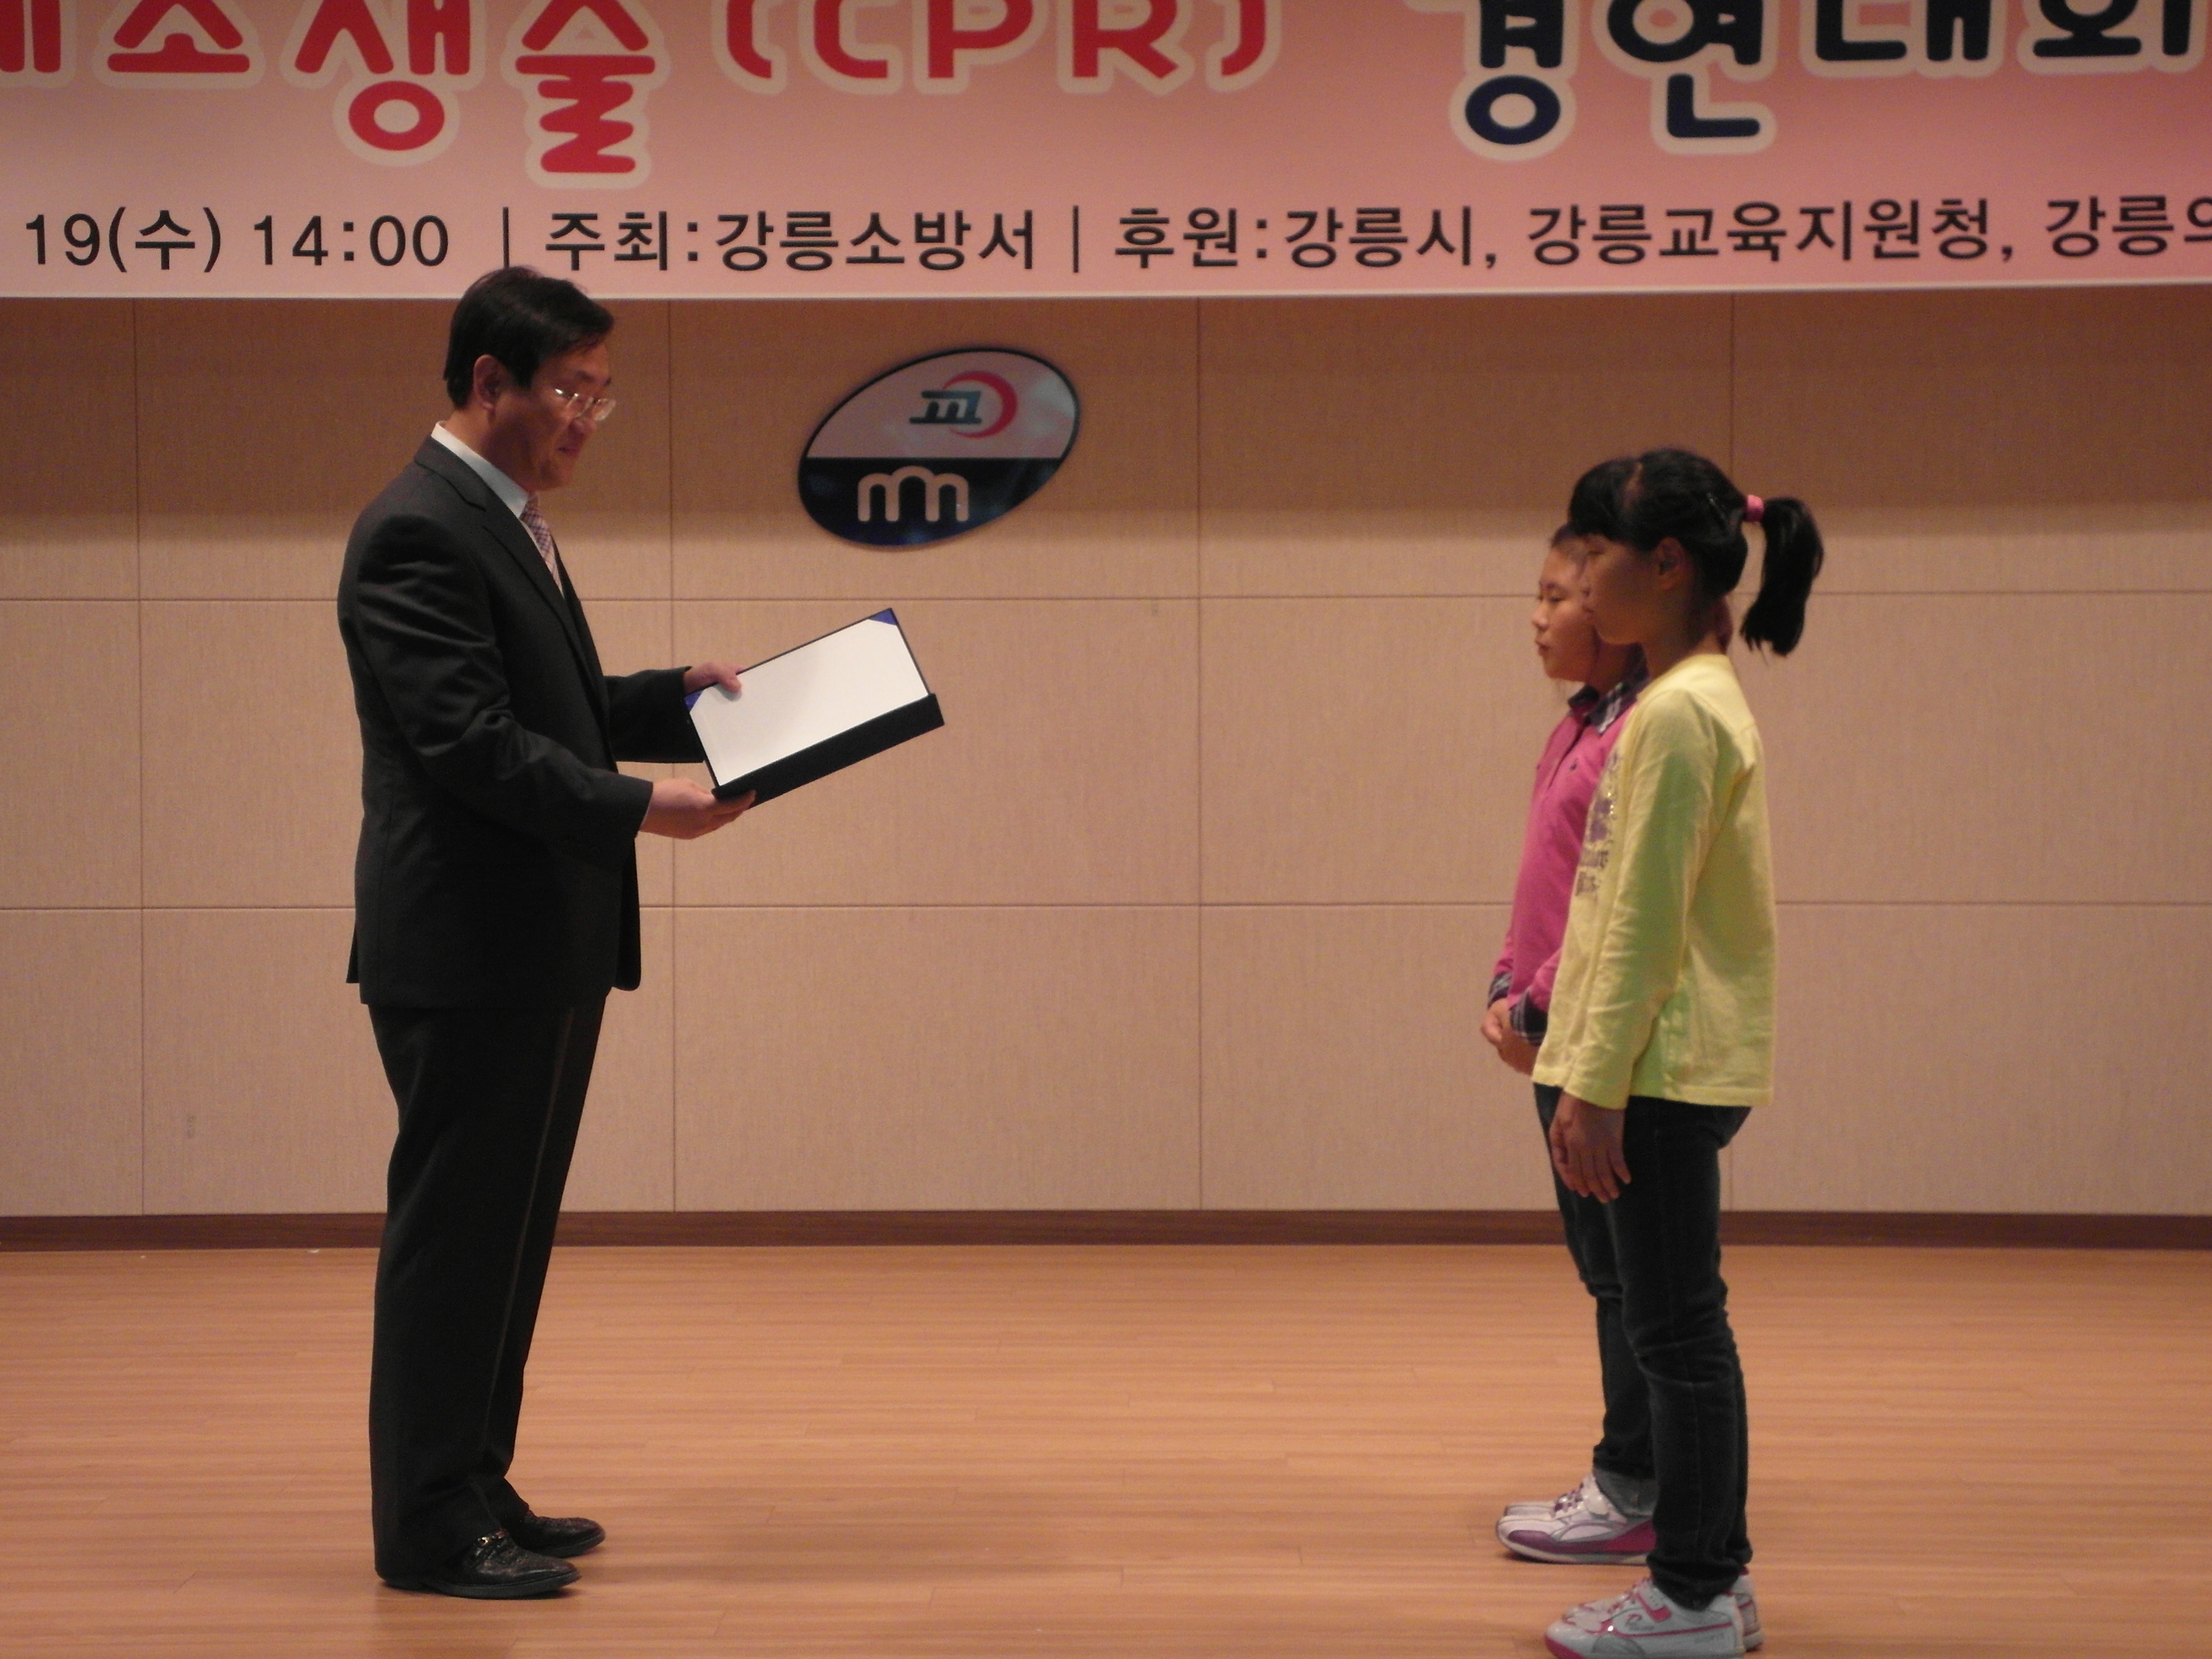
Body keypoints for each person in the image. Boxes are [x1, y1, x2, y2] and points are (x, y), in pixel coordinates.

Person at [337, 267, 755, 1599]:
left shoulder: (502, 520)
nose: (588, 418)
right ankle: (427, 1525)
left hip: (535, 944)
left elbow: (547, 705)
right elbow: (470, 745)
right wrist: (645, 807)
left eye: (601, 394)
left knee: (506, 1241)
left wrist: (673, 698)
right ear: (489, 383)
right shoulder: (418, 528)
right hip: (468, 949)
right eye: (572, 391)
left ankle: (474, 1481)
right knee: (457, 1240)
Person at [1522, 449, 1823, 1659]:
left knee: (1678, 1336)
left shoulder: (1684, 712)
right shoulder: (1677, 700)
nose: (1581, 576)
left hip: (1656, 1071)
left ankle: (1694, 1592)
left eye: (1597, 553)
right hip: (1649, 1065)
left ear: (1664, 565)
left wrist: (1593, 1086)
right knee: (1675, 1327)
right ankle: (1713, 1584)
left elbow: (1644, 922)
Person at [1481, 519, 1652, 1558]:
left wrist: (1538, 1011)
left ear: (1618, 611)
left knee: (1632, 1280)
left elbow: (1613, 908)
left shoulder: (1642, 734)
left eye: (1556, 598)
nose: (1536, 619)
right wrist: (1509, 986)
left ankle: (1634, 1489)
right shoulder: (1581, 725)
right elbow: (1542, 889)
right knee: (1609, 1274)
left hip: (1598, 1045)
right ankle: (1631, 1480)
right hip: (1557, 1033)